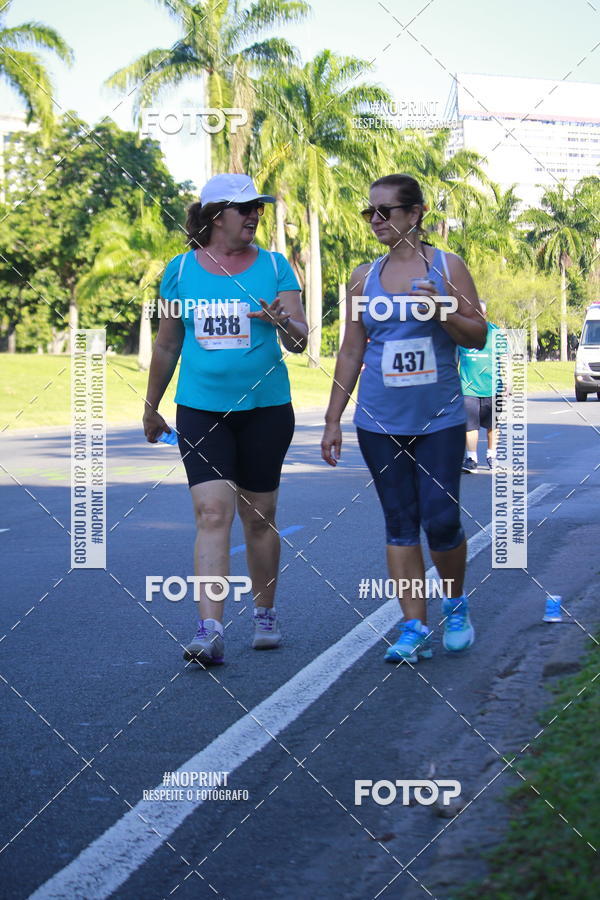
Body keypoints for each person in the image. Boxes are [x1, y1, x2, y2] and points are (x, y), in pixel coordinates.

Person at [321, 174, 487, 664]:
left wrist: (443, 312)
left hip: (438, 419)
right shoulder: (360, 277)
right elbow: (351, 350)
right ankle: (413, 625)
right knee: (399, 522)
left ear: (414, 214)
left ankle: (455, 605)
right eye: (369, 212)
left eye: (385, 211)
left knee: (441, 518)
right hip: (378, 421)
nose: (375, 220)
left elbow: (476, 334)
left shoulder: (448, 266)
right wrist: (333, 420)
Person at [143, 173, 308, 665]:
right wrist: (151, 406)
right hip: (200, 409)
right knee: (212, 514)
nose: (255, 215)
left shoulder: (277, 267)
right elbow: (168, 342)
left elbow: (299, 341)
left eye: (258, 208)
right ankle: (209, 629)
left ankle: (264, 613)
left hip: (266, 411)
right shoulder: (179, 271)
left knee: (259, 518)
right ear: (216, 216)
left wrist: (283, 321)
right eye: (245, 209)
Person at [459, 302, 507, 472]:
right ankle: (471, 459)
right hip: (468, 387)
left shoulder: (495, 333)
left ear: (486, 315)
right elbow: (454, 359)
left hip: (492, 386)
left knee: (492, 424)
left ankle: (492, 456)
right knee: (470, 425)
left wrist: (508, 382)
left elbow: (504, 358)